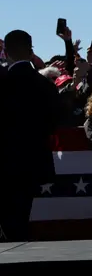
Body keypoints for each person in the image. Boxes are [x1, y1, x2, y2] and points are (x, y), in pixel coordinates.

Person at [0, 30, 62, 242]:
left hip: (4, 161)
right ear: (30, 50)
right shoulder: (46, 85)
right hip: (33, 161)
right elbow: (54, 122)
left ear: (5, 51)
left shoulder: (3, 82)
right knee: (20, 216)